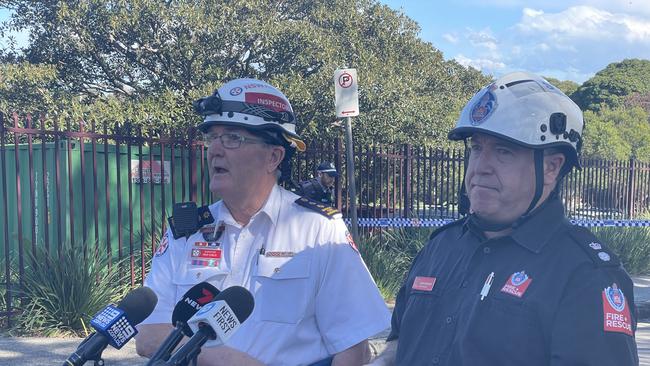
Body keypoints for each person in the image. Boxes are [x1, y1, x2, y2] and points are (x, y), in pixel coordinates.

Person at [369, 72, 638, 365]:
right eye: (476, 148)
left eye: (503, 152)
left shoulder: (585, 273)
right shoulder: (440, 247)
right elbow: (401, 343)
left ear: (551, 167)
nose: (481, 167)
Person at [135, 78, 390, 366]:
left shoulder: (319, 230)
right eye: (212, 137)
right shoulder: (186, 232)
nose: (215, 149)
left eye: (232, 138)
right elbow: (148, 334)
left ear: (273, 156)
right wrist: (224, 359)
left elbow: (351, 349)